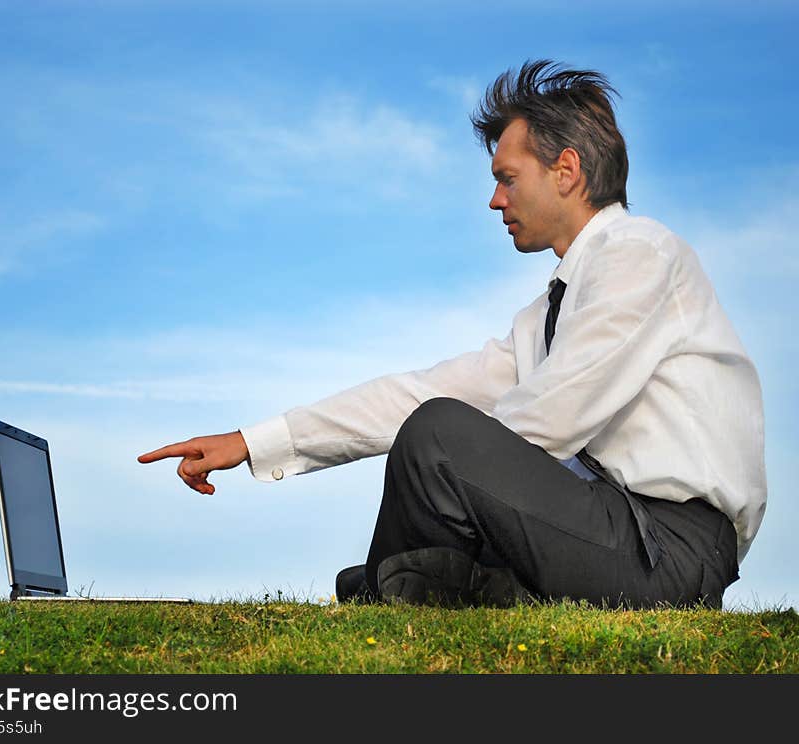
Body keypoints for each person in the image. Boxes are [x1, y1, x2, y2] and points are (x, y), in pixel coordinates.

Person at [138, 60, 766, 610]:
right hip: (609, 529)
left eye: (508, 177)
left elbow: (545, 421)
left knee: (439, 436)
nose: (495, 200)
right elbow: (419, 396)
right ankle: (422, 586)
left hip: (669, 550)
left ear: (567, 171)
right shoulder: (550, 311)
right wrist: (252, 441)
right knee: (435, 426)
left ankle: (407, 591)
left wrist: (456, 494)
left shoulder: (641, 254)